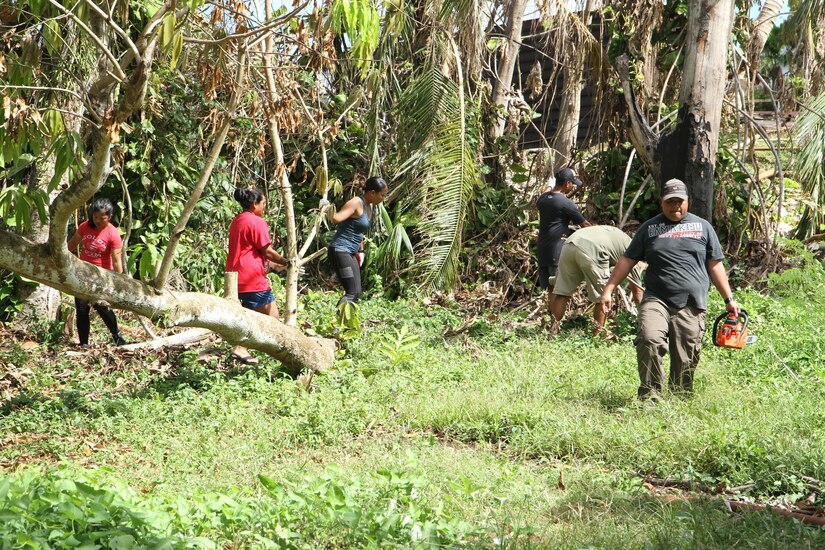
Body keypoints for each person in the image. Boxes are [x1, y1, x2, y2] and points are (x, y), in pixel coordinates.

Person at [599, 179, 739, 400]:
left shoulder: (703, 227)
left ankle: (680, 398)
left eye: (680, 202)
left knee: (685, 356)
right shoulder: (649, 228)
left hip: (691, 302)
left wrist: (729, 299)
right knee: (648, 338)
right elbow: (627, 260)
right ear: (661, 203)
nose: (676, 207)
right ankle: (650, 396)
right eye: (670, 202)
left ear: (687, 201)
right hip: (657, 298)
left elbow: (715, 264)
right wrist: (608, 289)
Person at [226, 187, 288, 365]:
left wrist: (273, 264)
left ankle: (241, 349)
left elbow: (247, 250)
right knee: (273, 317)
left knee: (246, 315)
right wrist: (287, 261)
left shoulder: (237, 221)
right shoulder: (257, 222)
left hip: (234, 277)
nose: (264, 207)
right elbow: (267, 251)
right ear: (254, 204)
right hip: (252, 278)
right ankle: (244, 348)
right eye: (263, 204)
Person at [551, 225, 644, 334]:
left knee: (562, 292)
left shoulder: (623, 238)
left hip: (570, 243)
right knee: (602, 296)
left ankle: (552, 331)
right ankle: (597, 337)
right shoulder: (634, 251)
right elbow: (637, 293)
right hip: (593, 248)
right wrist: (648, 317)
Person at [67, 197, 127, 348]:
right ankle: (84, 343)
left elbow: (116, 259)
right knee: (81, 309)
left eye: (102, 218)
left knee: (102, 308)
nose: (98, 221)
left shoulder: (113, 234)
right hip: (82, 272)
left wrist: (120, 280)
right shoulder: (85, 226)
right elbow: (73, 243)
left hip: (102, 276)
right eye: (95, 217)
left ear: (110, 217)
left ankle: (117, 336)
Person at [326, 176, 388, 306]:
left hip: (351, 252)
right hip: (340, 250)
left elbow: (358, 230)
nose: (383, 198)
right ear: (372, 193)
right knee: (352, 292)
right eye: (382, 195)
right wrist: (326, 207)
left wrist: (361, 251)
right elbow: (336, 219)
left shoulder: (368, 206)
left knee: (357, 292)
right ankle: (337, 323)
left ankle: (347, 323)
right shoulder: (356, 202)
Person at [536, 167, 591, 291]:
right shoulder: (566, 203)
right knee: (558, 288)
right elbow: (585, 225)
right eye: (572, 184)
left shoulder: (543, 199)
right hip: (557, 250)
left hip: (542, 249)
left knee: (548, 289)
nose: (573, 187)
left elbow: (545, 192)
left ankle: (550, 310)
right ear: (567, 184)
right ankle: (557, 311)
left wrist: (550, 186)